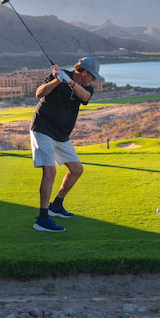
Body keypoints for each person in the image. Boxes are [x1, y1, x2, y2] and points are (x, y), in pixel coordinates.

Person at [29, 56, 102, 232]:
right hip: (43, 128)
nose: (93, 80)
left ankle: (57, 205)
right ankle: (42, 218)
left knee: (77, 170)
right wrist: (56, 80)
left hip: (61, 134)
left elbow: (84, 96)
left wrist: (68, 81)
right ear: (84, 72)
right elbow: (39, 93)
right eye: (92, 76)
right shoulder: (58, 76)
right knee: (50, 171)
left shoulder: (86, 87)